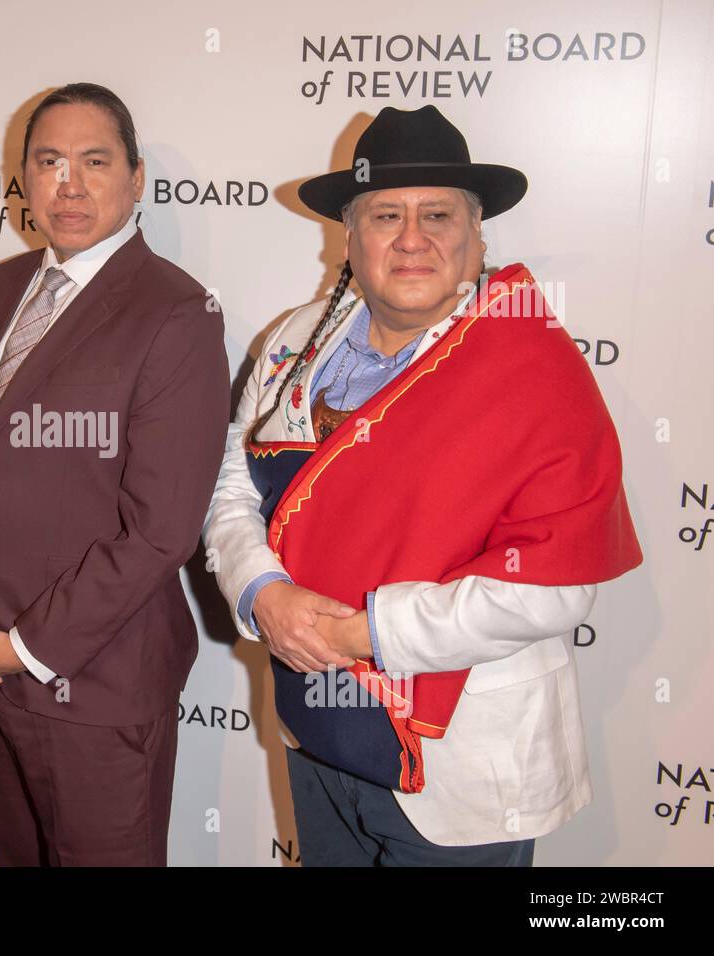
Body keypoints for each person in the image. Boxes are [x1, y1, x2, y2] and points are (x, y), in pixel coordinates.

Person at [202, 105, 641, 865]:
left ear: (477, 235)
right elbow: (231, 485)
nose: (413, 238)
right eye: (385, 215)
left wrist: (360, 633)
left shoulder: (531, 369)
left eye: (438, 214)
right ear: (350, 236)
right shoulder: (294, 339)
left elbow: (553, 587)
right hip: (317, 728)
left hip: (458, 772)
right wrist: (261, 594)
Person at [0, 83, 229, 866]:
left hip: (98, 684)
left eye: (94, 161)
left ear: (137, 176)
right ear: (24, 180)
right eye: (49, 163)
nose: (70, 185)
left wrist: (25, 648)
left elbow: (159, 532)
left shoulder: (178, 313)